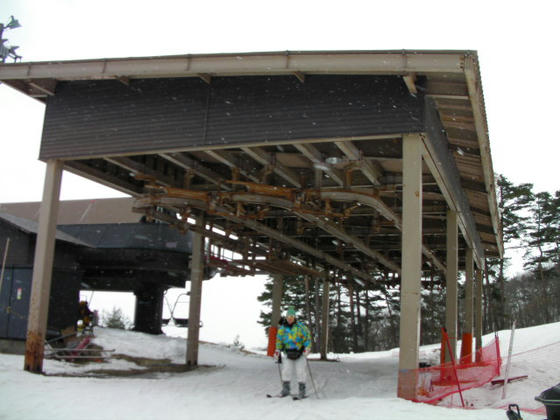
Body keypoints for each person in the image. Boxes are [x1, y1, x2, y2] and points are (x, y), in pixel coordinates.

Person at [274, 306, 312, 398]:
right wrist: (277, 350)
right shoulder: (282, 329)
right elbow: (279, 340)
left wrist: (307, 348)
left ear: (294, 317)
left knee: (301, 371)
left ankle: (302, 390)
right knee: (286, 370)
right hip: (288, 353)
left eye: (292, 317)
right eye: (288, 317)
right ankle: (286, 389)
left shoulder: (301, 327)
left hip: (300, 353)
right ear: (286, 318)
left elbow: (307, 338)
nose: (290, 319)